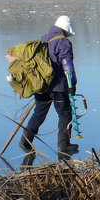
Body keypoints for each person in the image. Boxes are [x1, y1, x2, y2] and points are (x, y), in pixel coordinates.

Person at [20, 15, 80, 160]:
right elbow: (67, 64)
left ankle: (25, 141)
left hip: (42, 86)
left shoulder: (43, 39)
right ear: (66, 28)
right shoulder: (63, 42)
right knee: (65, 114)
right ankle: (64, 146)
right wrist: (72, 83)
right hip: (58, 86)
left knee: (39, 113)